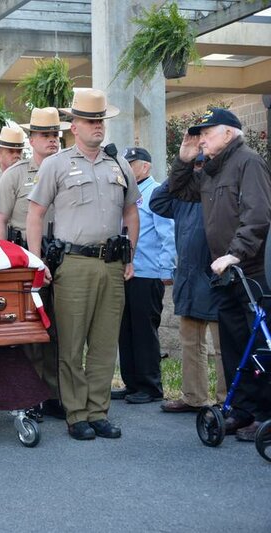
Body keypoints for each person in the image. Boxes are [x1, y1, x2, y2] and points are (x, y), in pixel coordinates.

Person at [26, 89, 140, 441]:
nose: (97, 127)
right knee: (72, 345)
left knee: (105, 344)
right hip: (73, 264)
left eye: (100, 121)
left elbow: (131, 212)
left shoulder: (118, 164)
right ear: (74, 126)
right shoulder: (56, 165)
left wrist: (130, 255)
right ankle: (76, 414)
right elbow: (35, 213)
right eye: (90, 121)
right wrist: (37, 260)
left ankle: (98, 412)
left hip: (111, 265)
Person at [168, 108, 271, 441]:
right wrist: (184, 159)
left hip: (251, 270)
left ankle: (265, 415)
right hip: (226, 273)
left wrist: (236, 253)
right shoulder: (212, 169)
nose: (201, 139)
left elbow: (258, 214)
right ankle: (242, 410)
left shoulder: (248, 162)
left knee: (258, 345)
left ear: (228, 133)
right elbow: (178, 191)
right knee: (234, 344)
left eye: (207, 133)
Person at [0, 107, 70, 418]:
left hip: (64, 257)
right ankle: (30, 396)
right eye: (45, 135)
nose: (52, 140)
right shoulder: (15, 174)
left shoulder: (68, 168)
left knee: (60, 331)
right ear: (32, 139)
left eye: (56, 135)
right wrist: (4, 263)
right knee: (30, 331)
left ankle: (55, 395)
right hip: (26, 261)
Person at [150, 166, 227, 413]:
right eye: (194, 165)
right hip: (188, 277)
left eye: (201, 164)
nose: (198, 169)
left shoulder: (221, 190)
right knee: (190, 341)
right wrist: (179, 169)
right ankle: (194, 397)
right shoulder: (182, 195)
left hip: (216, 278)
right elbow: (157, 202)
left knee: (223, 346)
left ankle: (227, 402)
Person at [114, 147, 176, 404]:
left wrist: (166, 270)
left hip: (148, 273)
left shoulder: (155, 193)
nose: (127, 168)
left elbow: (168, 234)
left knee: (144, 331)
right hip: (126, 272)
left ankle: (150, 387)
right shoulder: (126, 193)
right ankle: (131, 384)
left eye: (132, 164)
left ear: (146, 166)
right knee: (125, 330)